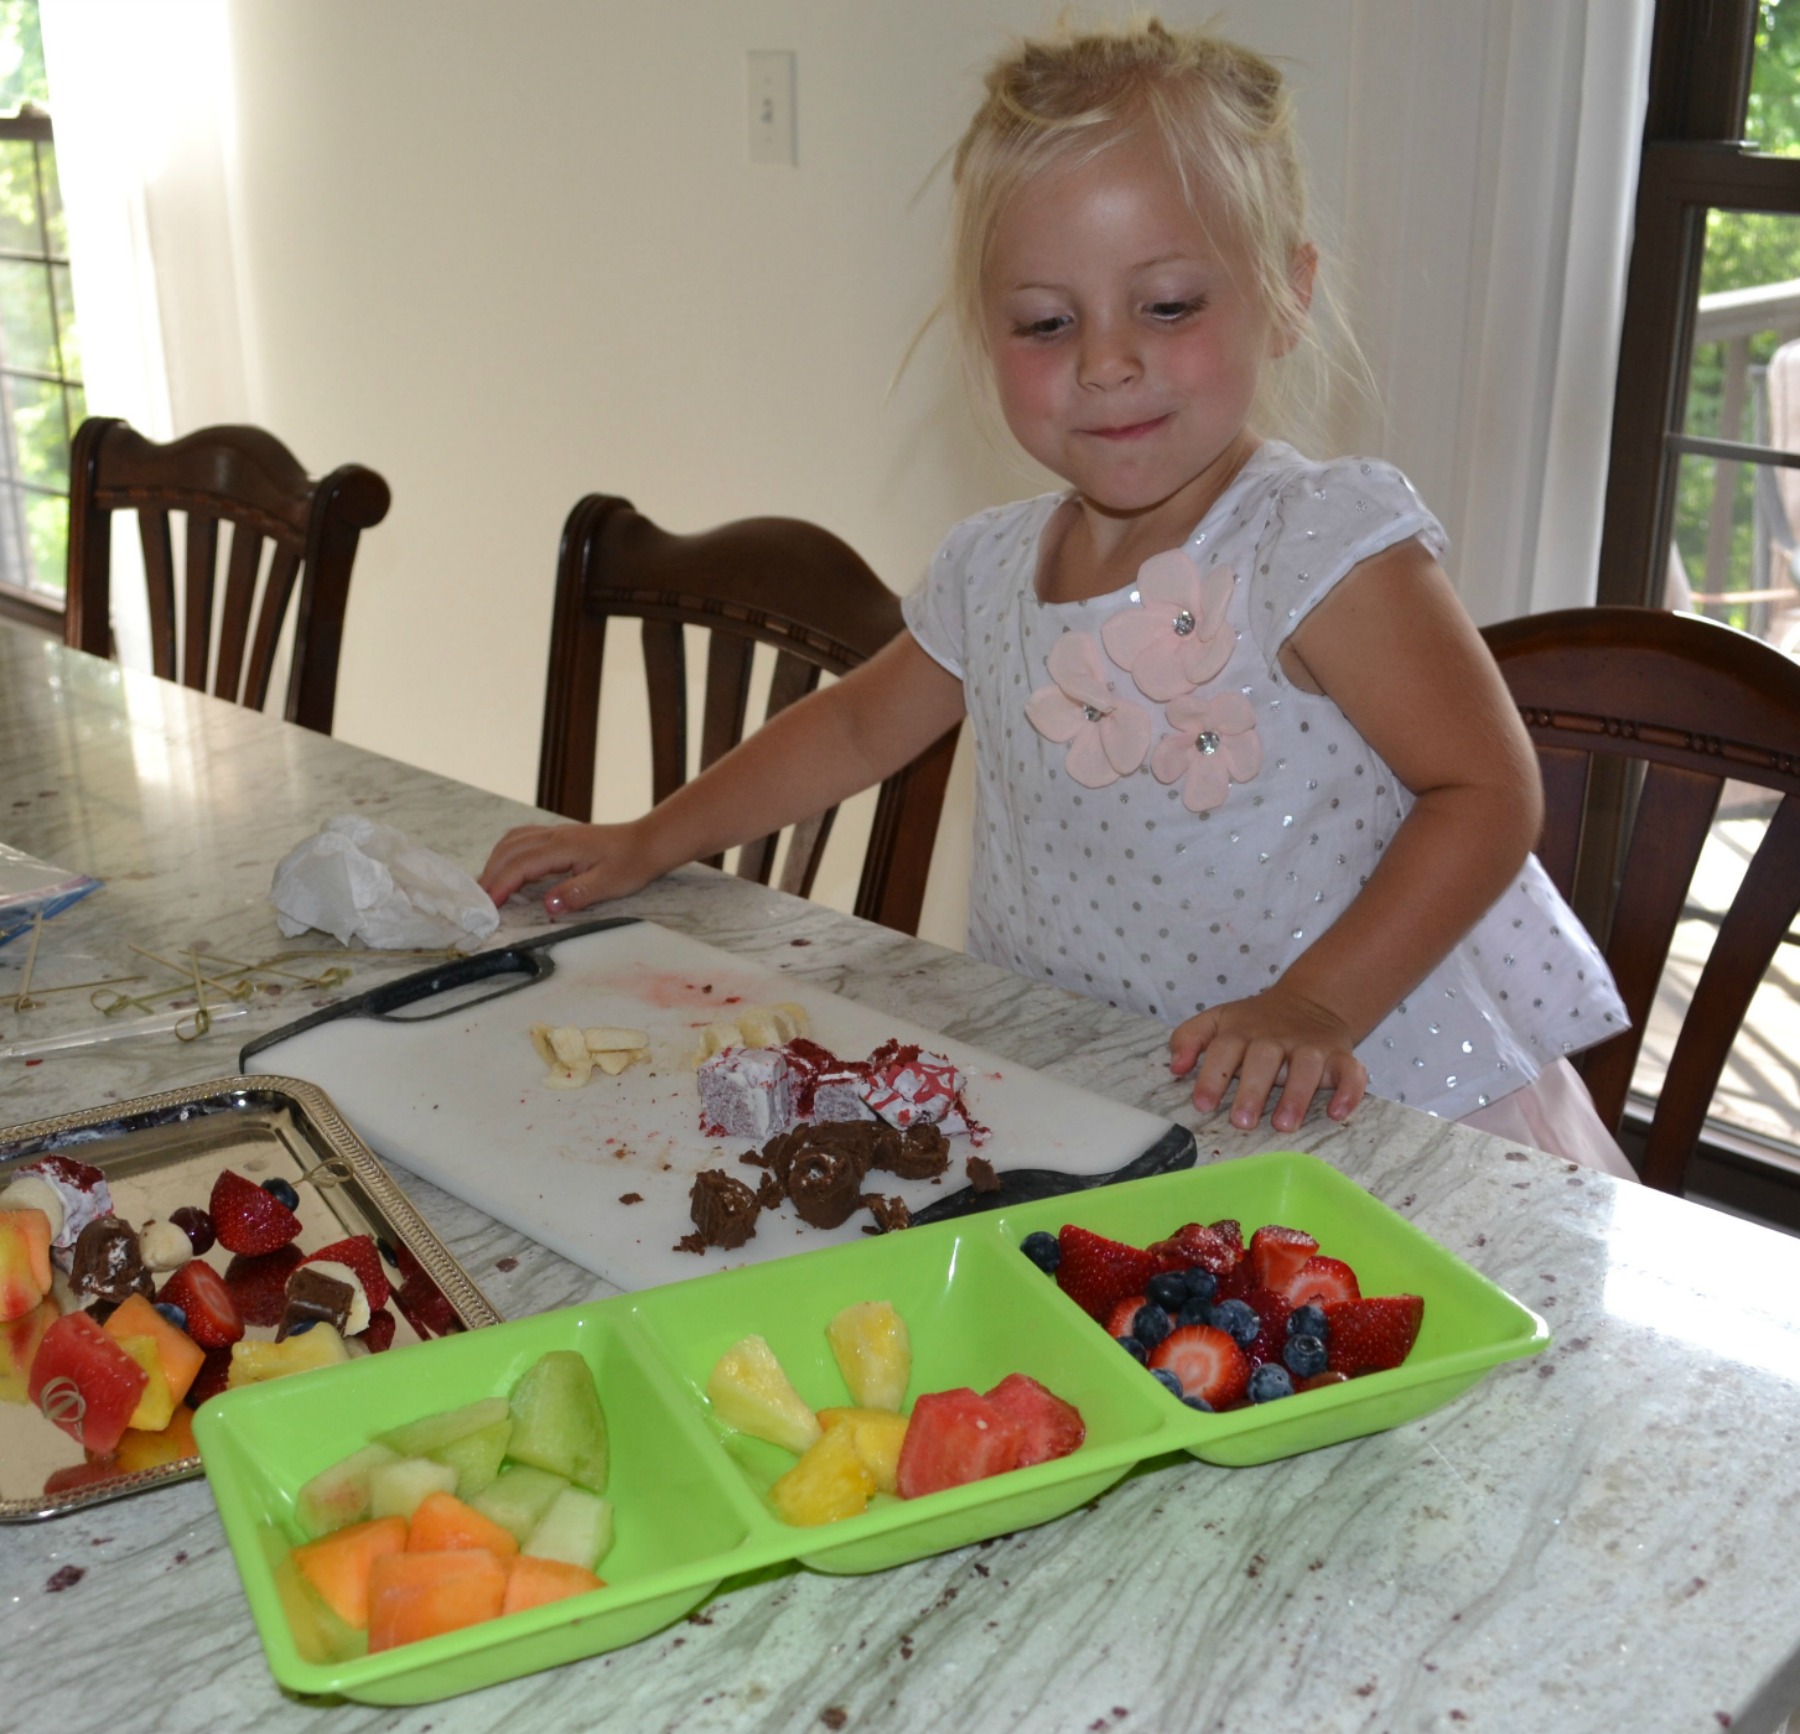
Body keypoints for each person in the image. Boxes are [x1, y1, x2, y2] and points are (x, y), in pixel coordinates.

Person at [482, 19, 1634, 1175]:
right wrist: (649, 838)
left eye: (1169, 305)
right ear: (989, 334)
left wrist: (1321, 1006)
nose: (1106, 361)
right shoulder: (991, 568)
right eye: (1047, 322)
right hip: (1130, 1108)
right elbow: (850, 725)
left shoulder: (1318, 545)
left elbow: (1485, 789)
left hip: (1390, 1115)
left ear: (1285, 297)